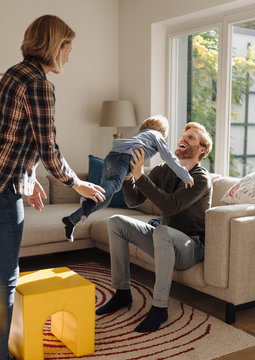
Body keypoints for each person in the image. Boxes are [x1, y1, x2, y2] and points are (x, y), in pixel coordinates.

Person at [0, 15, 105, 360]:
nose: (70, 55)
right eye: (68, 47)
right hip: (3, 191)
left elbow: (14, 138)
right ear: (54, 46)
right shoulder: (39, 83)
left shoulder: (12, 74)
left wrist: (28, 182)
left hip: (9, 182)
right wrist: (78, 184)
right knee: (7, 278)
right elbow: (48, 147)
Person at [95, 121, 213, 333]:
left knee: (162, 230)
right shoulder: (163, 170)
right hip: (163, 239)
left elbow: (170, 206)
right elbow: (134, 201)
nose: (183, 139)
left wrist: (141, 176)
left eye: (191, 137)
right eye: (183, 136)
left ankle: (160, 308)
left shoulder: (200, 178)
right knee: (116, 222)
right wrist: (128, 175)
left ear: (201, 150)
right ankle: (122, 293)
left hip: (190, 247)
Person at [62, 115, 194, 242]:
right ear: (162, 130)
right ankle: (89, 198)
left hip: (111, 157)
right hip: (123, 158)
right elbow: (168, 156)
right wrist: (185, 175)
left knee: (105, 199)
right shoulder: (156, 135)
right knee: (114, 184)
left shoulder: (141, 135)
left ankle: (71, 220)